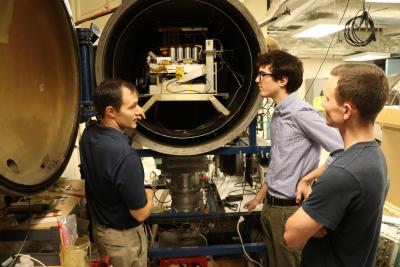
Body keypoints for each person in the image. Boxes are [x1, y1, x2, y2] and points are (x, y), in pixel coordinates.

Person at [244, 50, 343, 267]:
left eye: (263, 75)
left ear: (282, 80)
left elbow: (342, 150)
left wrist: (308, 179)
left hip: (290, 209)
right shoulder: (279, 113)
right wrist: (261, 196)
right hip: (272, 207)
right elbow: (281, 160)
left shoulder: (300, 113)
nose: (257, 79)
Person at [284, 63, 389, 267]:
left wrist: (313, 219)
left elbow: (291, 236)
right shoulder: (375, 156)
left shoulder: (343, 172)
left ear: (347, 110)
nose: (323, 104)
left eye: (328, 98)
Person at [79, 78, 154, 267]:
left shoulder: (89, 135)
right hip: (124, 241)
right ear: (111, 112)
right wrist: (150, 194)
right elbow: (141, 215)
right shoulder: (125, 156)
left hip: (103, 232)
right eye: (132, 107)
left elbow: (114, 135)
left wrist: (131, 113)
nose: (139, 111)